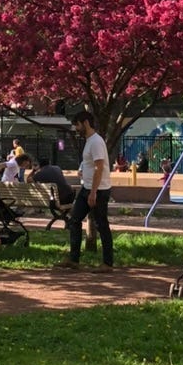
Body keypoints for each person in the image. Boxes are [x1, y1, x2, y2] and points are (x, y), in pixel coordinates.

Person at [57, 110, 114, 272]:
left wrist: (94, 192)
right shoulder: (89, 141)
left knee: (101, 224)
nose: (76, 128)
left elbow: (100, 167)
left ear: (86, 123)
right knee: (74, 220)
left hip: (98, 190)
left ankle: (107, 263)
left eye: (77, 125)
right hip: (87, 188)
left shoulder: (96, 142)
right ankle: (74, 260)